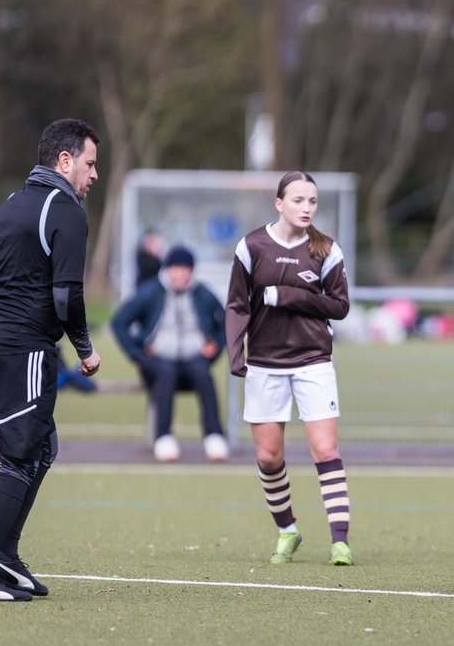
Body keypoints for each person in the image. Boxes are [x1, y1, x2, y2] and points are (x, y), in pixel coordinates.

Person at [0, 118, 102, 602]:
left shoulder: (11, 204)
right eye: (89, 163)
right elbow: (67, 297)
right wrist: (84, 349)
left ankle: (3, 555)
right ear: (64, 161)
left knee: (42, 447)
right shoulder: (67, 210)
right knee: (21, 458)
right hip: (19, 348)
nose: (93, 174)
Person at [225, 171, 353, 566]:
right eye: (298, 200)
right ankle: (287, 531)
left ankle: (340, 542)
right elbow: (236, 304)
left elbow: (340, 307)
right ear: (278, 203)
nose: (306, 208)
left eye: (312, 201)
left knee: (325, 449)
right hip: (265, 364)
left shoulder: (326, 249)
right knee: (268, 458)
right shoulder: (251, 246)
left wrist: (291, 296)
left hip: (313, 361)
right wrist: (235, 349)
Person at [111, 244, 229, 463]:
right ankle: (163, 437)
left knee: (203, 373)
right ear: (167, 269)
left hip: (193, 361)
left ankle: (214, 435)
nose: (181, 274)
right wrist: (136, 352)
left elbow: (223, 323)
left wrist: (214, 348)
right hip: (156, 363)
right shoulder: (150, 291)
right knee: (165, 372)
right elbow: (119, 322)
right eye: (176, 268)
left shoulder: (203, 293)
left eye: (186, 269)